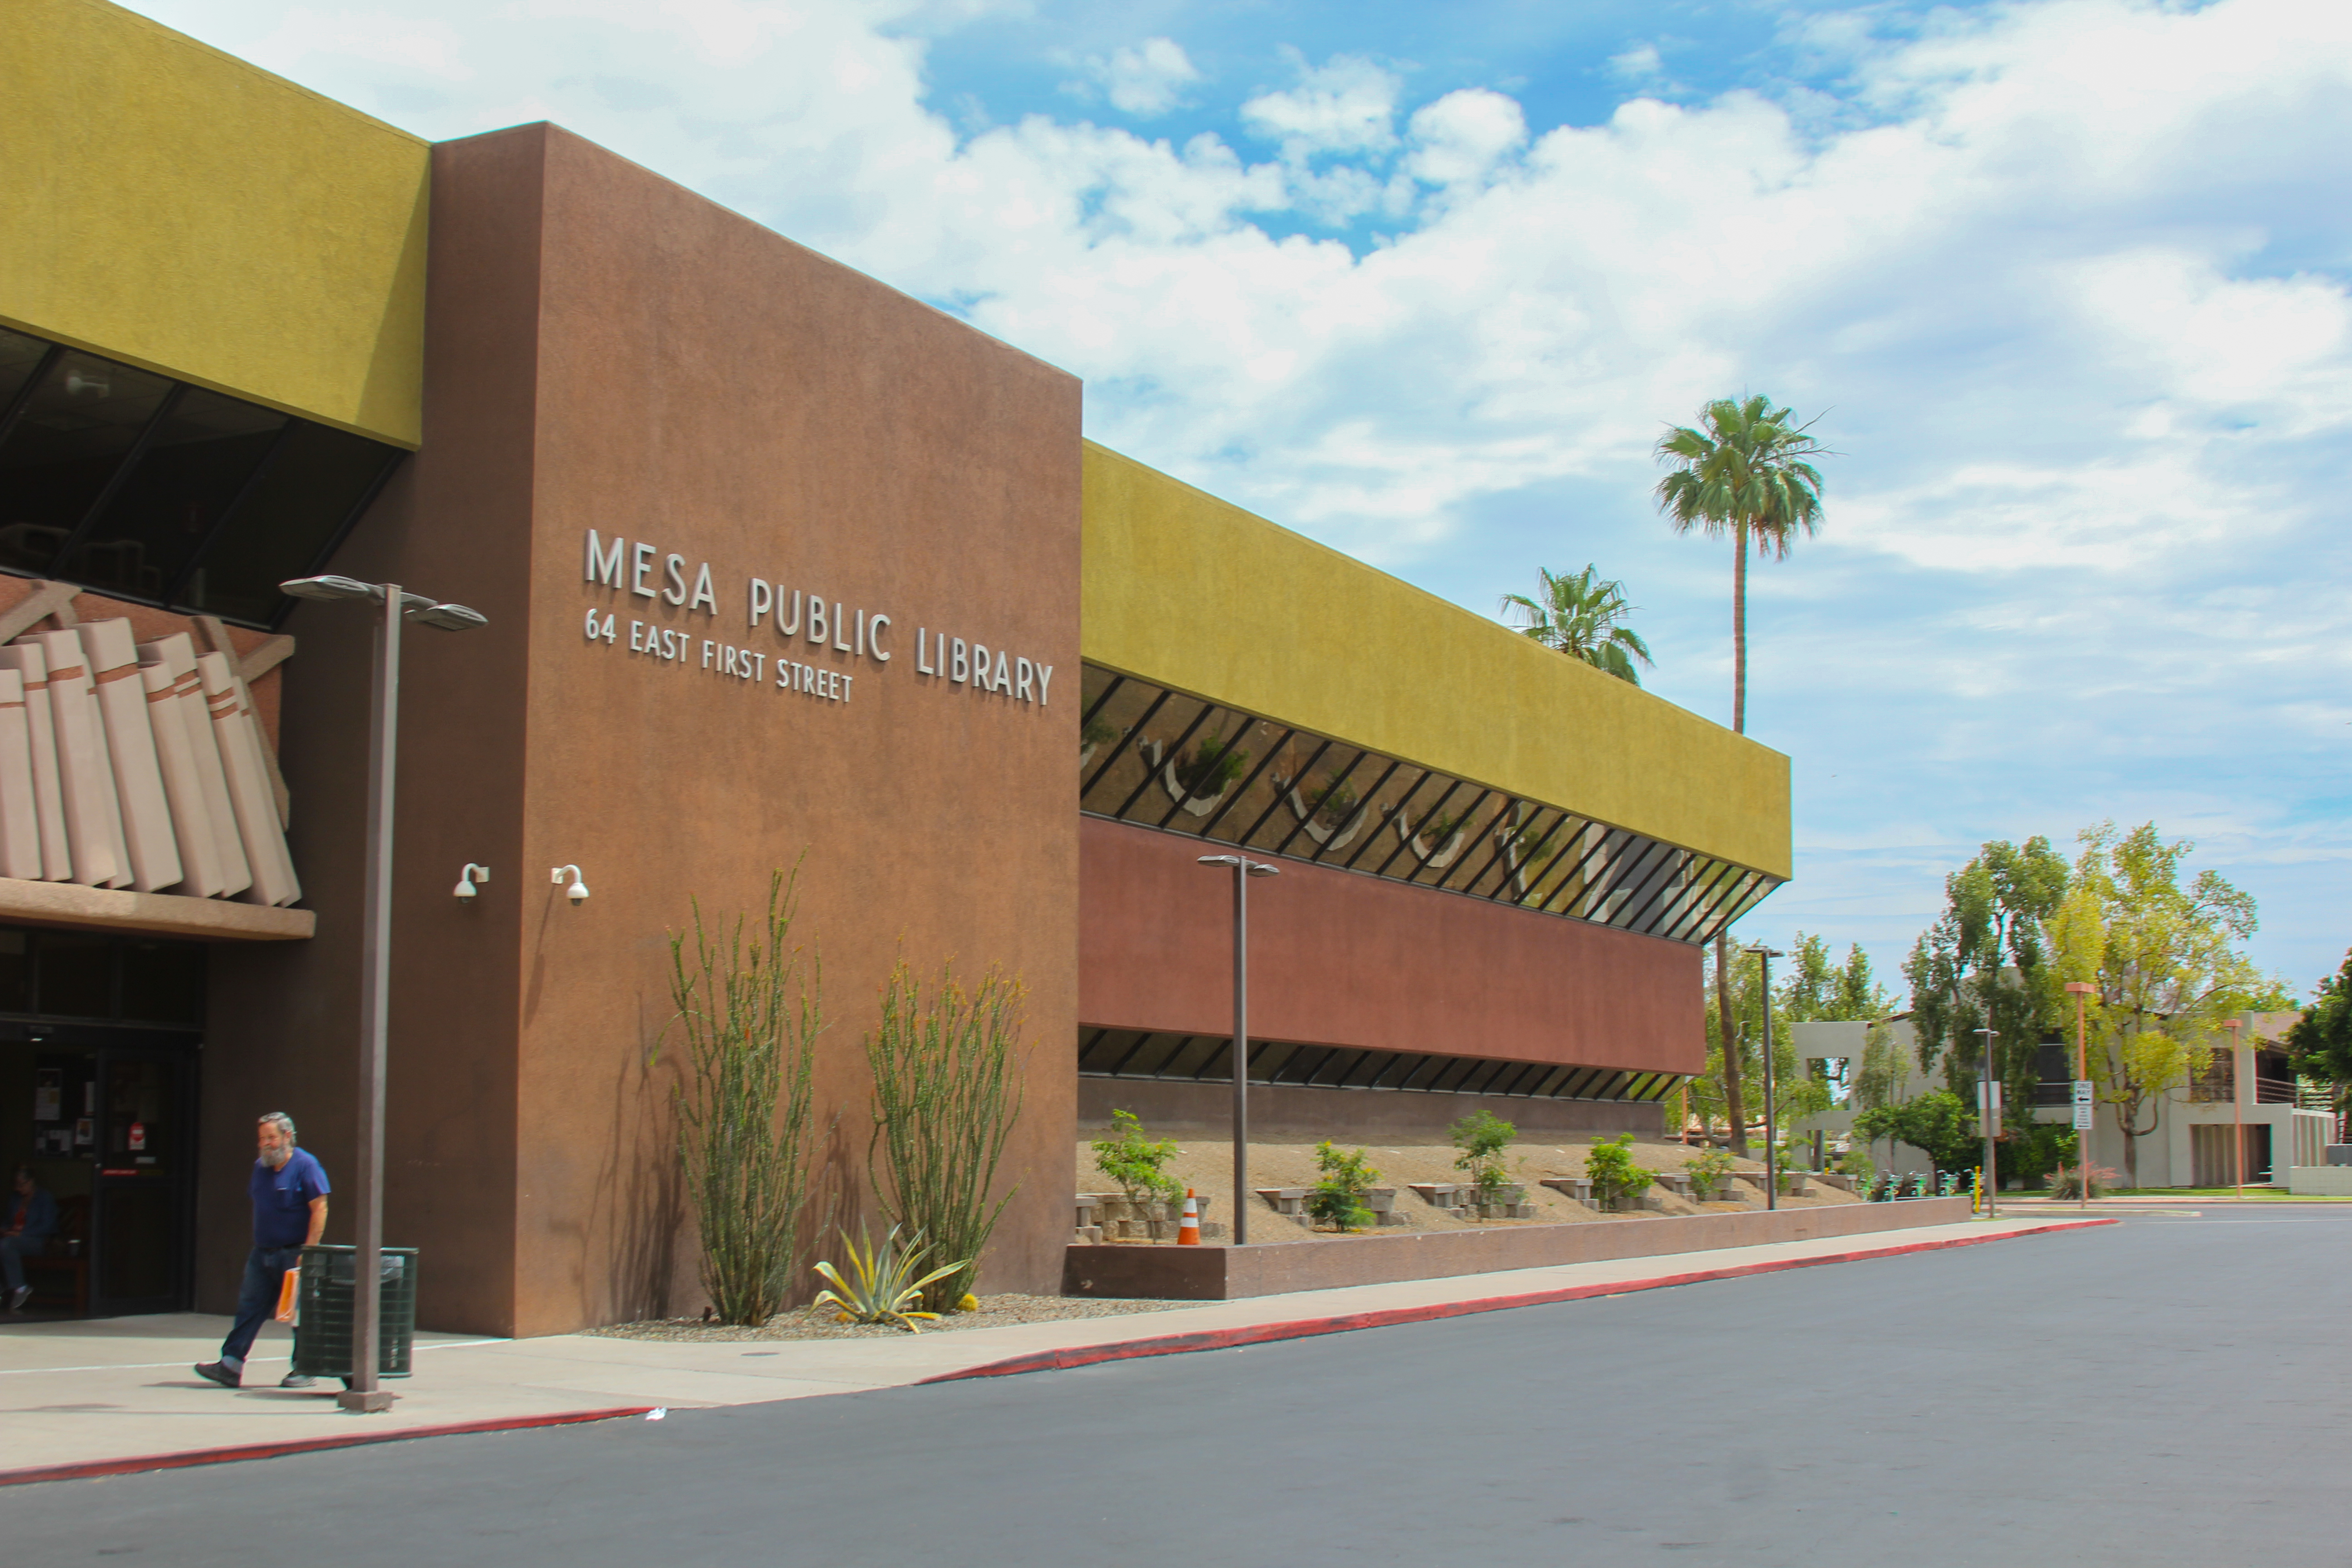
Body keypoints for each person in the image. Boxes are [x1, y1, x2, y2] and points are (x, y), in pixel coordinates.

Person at [195, 1112, 328, 1389]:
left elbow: (320, 1208)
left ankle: (304, 1368)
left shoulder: (306, 1165)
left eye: (271, 1138)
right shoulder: (261, 1168)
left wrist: (309, 1251)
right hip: (262, 1254)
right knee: (249, 1309)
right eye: (262, 1139)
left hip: (294, 1254)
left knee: (299, 1315)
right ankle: (231, 1365)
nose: (266, 1144)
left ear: (287, 1137)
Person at [3, 1165, 57, 1311]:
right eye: (15, 1185)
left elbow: (48, 1226)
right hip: (14, 1240)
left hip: (37, 1242)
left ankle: (20, 1288)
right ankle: (4, 1286)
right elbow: (9, 1221)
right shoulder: (16, 1199)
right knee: (7, 1244)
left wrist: (22, 1234)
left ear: (31, 1182)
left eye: (21, 1185)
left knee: (7, 1245)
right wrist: (4, 1229)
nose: (17, 1189)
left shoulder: (44, 1198)